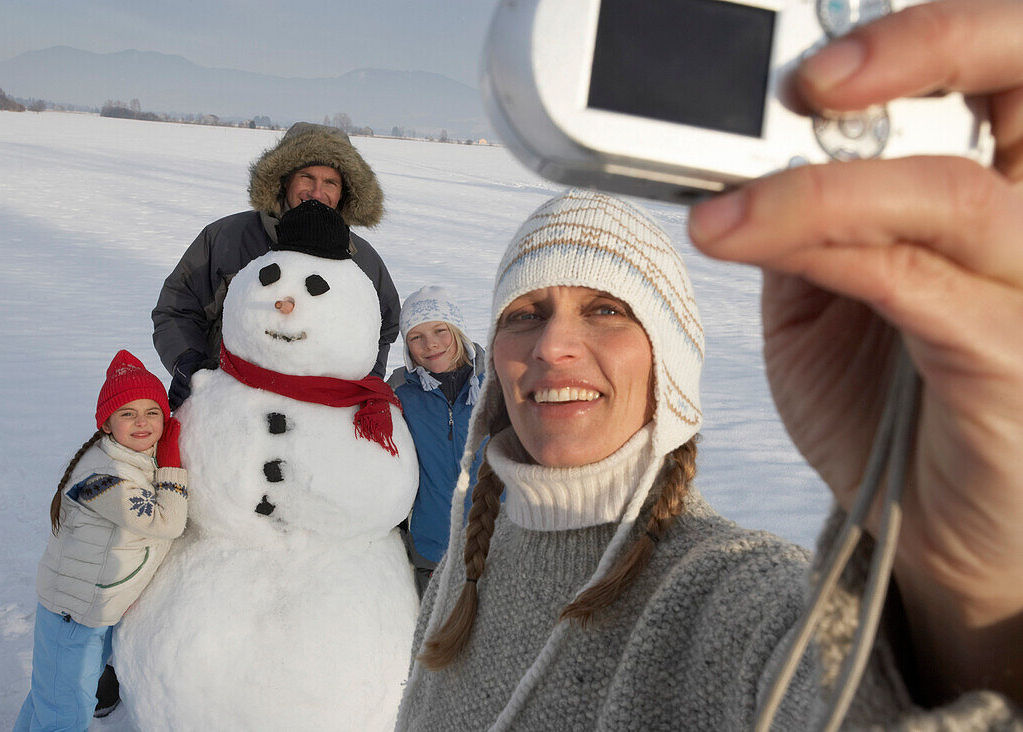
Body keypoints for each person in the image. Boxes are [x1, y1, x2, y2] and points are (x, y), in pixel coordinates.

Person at [397, 31, 1023, 718]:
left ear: (672, 364)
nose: (554, 346)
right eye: (526, 314)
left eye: (606, 309)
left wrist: (960, 593)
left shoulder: (728, 595)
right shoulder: (473, 559)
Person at [152, 122, 400, 408]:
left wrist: (363, 384)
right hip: (230, 404)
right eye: (307, 177)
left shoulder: (362, 259)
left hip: (321, 415)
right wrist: (190, 363)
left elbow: (383, 330)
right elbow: (176, 309)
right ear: (284, 180)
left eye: (330, 182)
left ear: (344, 192)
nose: (317, 191)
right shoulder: (226, 238)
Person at [14, 351, 189, 731]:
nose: (142, 422)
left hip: (92, 611)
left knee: (49, 699)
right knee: (64, 713)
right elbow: (166, 522)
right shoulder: (103, 475)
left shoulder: (131, 457)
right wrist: (173, 463)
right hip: (73, 617)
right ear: (107, 423)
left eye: (152, 411)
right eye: (127, 413)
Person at [387, 286, 486, 597]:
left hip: (498, 543)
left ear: (457, 331)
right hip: (431, 547)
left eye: (440, 330)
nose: (430, 344)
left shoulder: (499, 383)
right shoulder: (400, 391)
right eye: (416, 337)